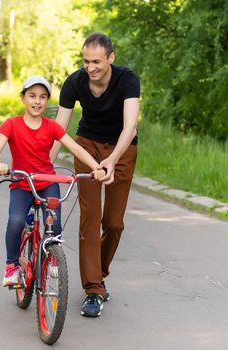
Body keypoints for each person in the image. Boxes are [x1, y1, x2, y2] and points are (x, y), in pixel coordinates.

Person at [50, 32, 140, 317]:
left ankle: (97, 274)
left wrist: (112, 159)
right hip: (87, 147)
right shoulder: (74, 82)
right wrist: (44, 164)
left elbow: (130, 127)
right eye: (86, 61)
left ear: (111, 58)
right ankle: (93, 290)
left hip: (122, 150)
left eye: (97, 61)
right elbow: (58, 130)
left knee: (113, 223)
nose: (91, 67)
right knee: (90, 220)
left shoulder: (127, 80)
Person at [0, 75, 106, 288]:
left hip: (47, 181)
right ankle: (12, 265)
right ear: (23, 98)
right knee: (15, 221)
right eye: (32, 96)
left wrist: (97, 167)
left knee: (54, 222)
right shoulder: (12, 124)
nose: (37, 101)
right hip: (22, 183)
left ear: (47, 101)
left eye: (43, 97)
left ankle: (53, 257)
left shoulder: (51, 127)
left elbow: (76, 148)